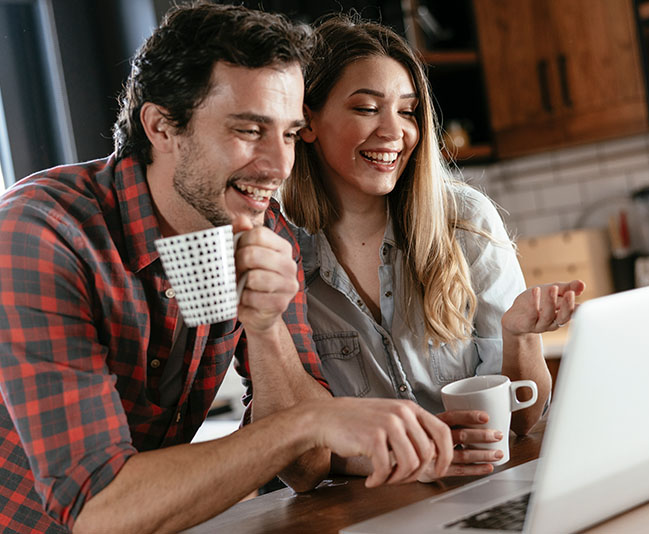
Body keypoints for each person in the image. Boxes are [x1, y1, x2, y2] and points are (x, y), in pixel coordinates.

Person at [0, 4, 455, 534]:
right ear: (162, 126)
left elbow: (306, 468)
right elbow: (99, 509)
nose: (278, 166)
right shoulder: (43, 234)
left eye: (288, 134)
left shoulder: (254, 227)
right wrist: (311, 421)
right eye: (249, 130)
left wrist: (266, 329)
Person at [281, 14, 585, 480]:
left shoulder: (465, 221)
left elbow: (522, 420)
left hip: (480, 494)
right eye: (366, 108)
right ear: (308, 122)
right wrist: (407, 454)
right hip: (367, 512)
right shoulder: (282, 257)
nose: (393, 131)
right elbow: (301, 457)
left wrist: (519, 335)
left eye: (406, 111)